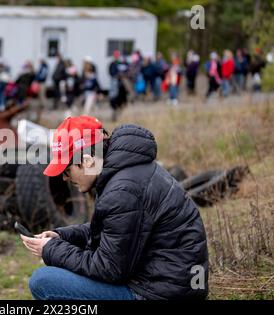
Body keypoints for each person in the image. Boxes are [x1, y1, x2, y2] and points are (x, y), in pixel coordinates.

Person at [20, 116, 209, 300]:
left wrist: (52, 250)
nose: (64, 178)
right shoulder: (126, 171)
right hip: (171, 284)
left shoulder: (123, 190)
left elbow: (109, 268)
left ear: (87, 161)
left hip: (161, 292)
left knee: (43, 281)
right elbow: (114, 229)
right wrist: (62, 236)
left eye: (67, 170)